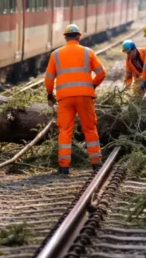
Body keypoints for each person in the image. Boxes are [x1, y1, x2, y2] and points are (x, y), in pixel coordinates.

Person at [45, 24, 106, 175]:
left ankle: (64, 166)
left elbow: (48, 78)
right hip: (85, 96)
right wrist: (92, 85)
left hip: (64, 98)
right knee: (90, 128)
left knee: (65, 130)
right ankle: (96, 163)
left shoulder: (56, 54)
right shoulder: (88, 52)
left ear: (65, 37)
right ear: (79, 36)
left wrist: (49, 93)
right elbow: (101, 73)